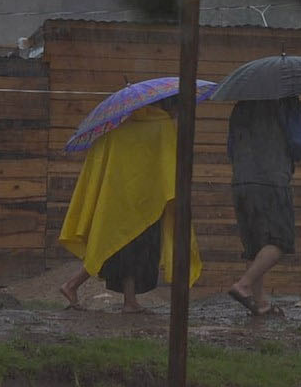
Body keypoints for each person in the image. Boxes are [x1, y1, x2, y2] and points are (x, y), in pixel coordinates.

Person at [57, 103, 199, 312]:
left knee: (116, 248)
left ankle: (124, 300)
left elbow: (106, 160)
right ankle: (77, 286)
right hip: (148, 201)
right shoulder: (163, 126)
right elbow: (171, 163)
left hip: (116, 199)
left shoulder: (119, 125)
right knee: (132, 251)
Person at [224, 95, 301, 316]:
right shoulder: (289, 103)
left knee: (255, 245)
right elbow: (300, 144)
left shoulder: (241, 105)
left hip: (241, 181)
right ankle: (243, 285)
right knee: (280, 240)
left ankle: (260, 302)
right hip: (271, 180)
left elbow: (231, 148)